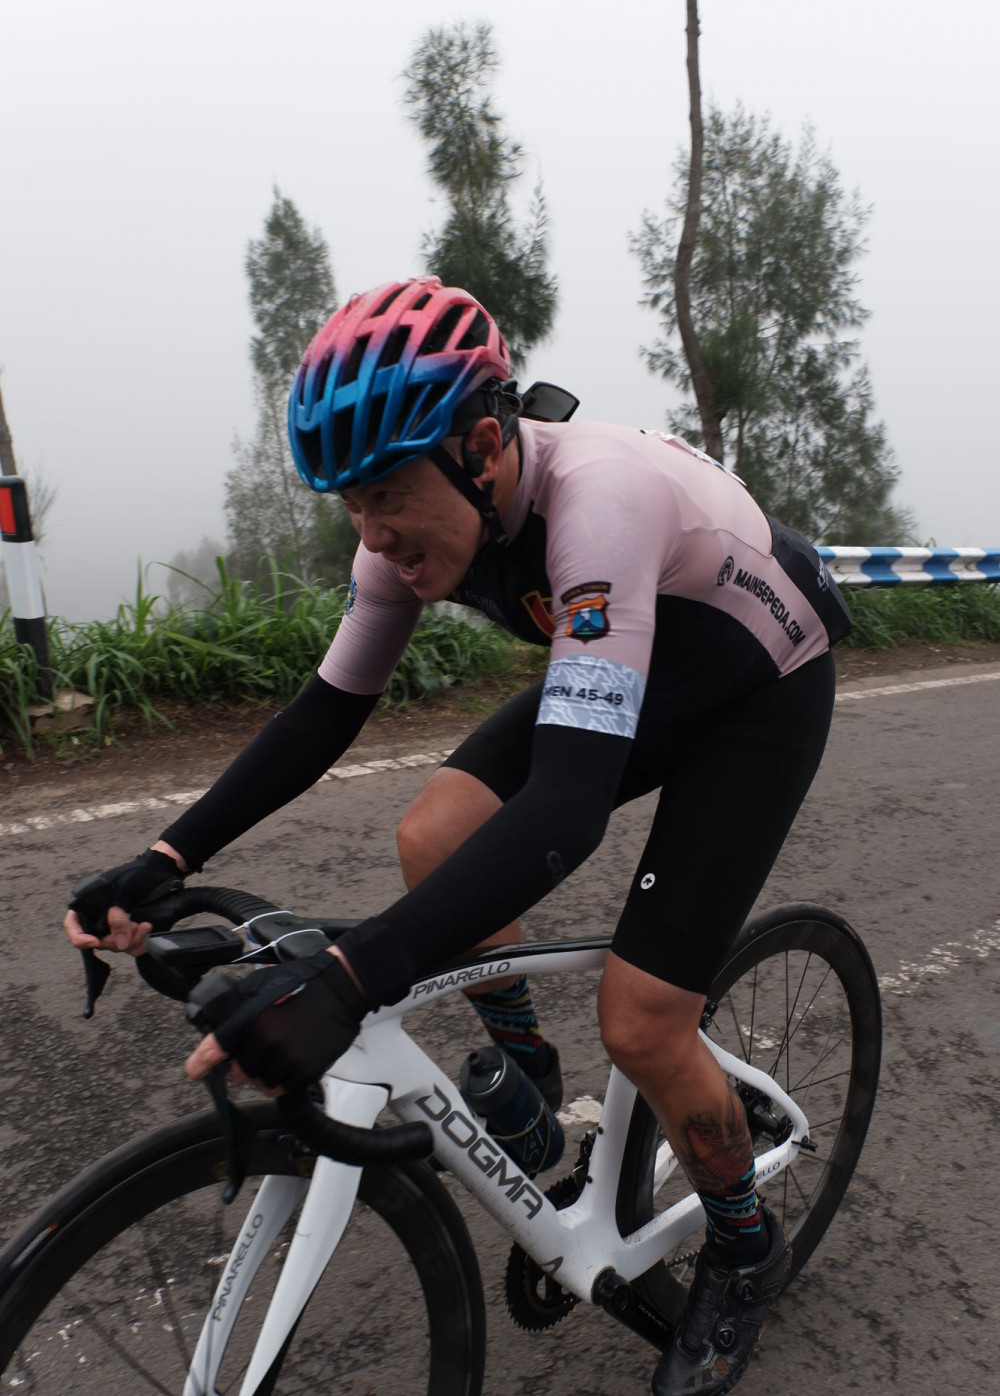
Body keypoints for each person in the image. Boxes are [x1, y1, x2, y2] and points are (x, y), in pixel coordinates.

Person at [65, 275, 851, 1396]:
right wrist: (165, 858)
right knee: (433, 834)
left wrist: (348, 980)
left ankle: (743, 1243)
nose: (373, 533)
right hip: (636, 665)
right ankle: (526, 1081)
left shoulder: (600, 500)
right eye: (350, 503)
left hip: (756, 694)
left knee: (641, 1018)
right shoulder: (399, 539)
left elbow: (565, 813)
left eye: (387, 491)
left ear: (483, 447)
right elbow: (323, 715)